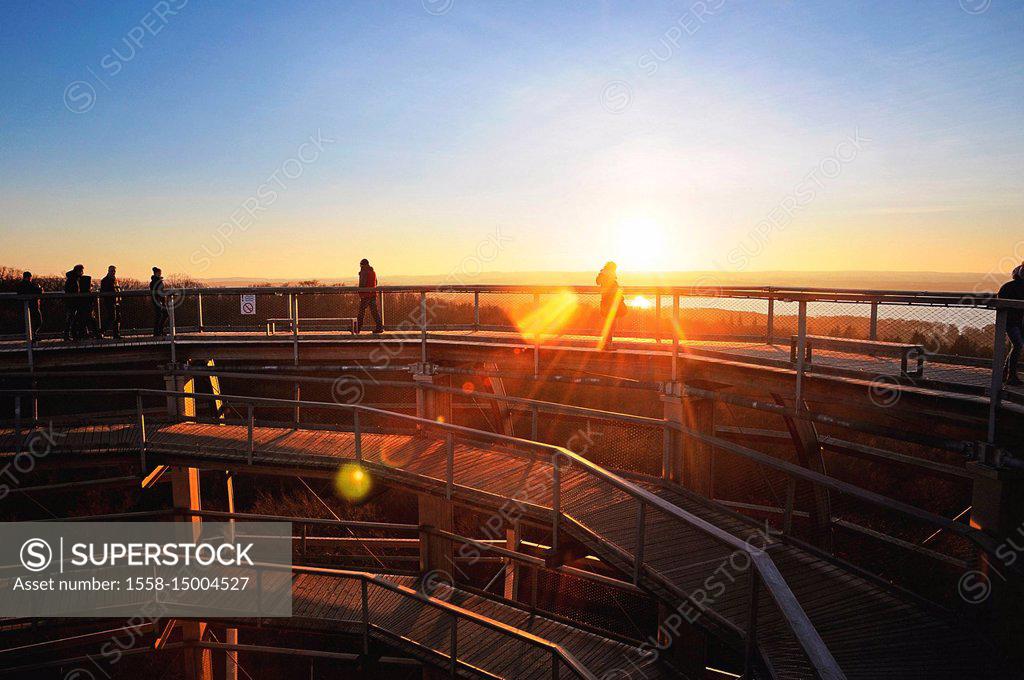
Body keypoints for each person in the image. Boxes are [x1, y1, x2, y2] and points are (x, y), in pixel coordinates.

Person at [998, 263, 1024, 386]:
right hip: (1012, 322)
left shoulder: (1007, 286)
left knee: (1017, 346)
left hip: (1013, 321)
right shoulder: (1010, 287)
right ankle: (1010, 375)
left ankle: (1006, 374)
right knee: (1018, 345)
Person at [596, 261, 627, 349]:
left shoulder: (602, 277)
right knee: (611, 325)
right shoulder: (610, 278)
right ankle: (607, 344)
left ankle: (606, 344)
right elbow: (613, 291)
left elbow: (602, 287)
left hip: (605, 303)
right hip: (611, 304)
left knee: (609, 324)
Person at [354, 258, 384, 334]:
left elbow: (362, 284)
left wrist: (360, 292)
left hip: (365, 295)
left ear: (362, 265)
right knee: (374, 312)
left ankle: (357, 328)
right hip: (372, 294)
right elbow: (376, 282)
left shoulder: (363, 272)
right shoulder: (373, 272)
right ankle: (379, 327)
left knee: (361, 312)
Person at [15, 272, 43, 341]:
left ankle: (30, 336)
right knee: (38, 321)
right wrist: (40, 287)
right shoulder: (31, 285)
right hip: (33, 306)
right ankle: (33, 335)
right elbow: (39, 291)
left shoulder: (20, 285)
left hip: (24, 307)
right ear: (29, 277)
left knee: (28, 322)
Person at [75, 271, 101, 340]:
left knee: (83, 322)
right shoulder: (88, 292)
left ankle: (81, 335)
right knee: (92, 321)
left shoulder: (80, 292)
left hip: (83, 308)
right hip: (88, 308)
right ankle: (97, 335)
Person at [62, 264, 83, 341]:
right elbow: (73, 290)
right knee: (72, 319)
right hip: (72, 302)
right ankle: (70, 335)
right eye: (81, 271)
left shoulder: (72, 278)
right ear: (78, 271)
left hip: (71, 302)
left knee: (71, 319)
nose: (82, 273)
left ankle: (70, 335)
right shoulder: (73, 280)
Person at [100, 265, 121, 339]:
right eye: (112, 271)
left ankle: (116, 334)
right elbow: (103, 291)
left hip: (116, 301)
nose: (113, 272)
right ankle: (102, 332)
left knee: (117, 318)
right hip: (110, 301)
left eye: (114, 271)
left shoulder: (115, 280)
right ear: (108, 271)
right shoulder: (105, 280)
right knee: (112, 317)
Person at [150, 267, 169, 337]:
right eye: (159, 273)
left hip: (160, 300)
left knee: (162, 315)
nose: (160, 274)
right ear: (156, 273)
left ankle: (159, 331)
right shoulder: (155, 282)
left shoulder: (156, 281)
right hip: (158, 300)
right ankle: (158, 331)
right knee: (160, 315)